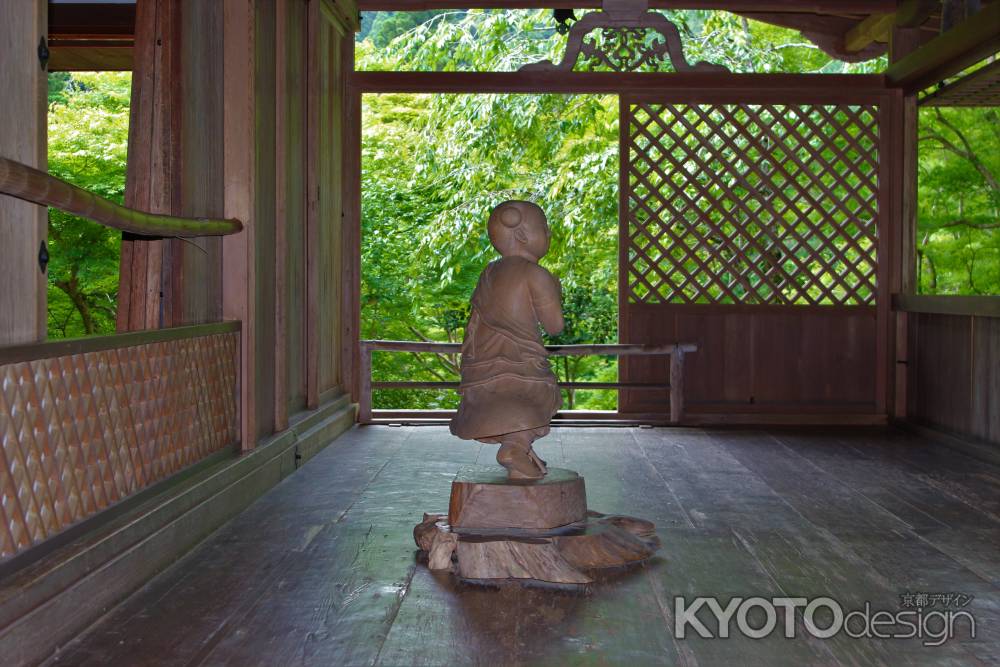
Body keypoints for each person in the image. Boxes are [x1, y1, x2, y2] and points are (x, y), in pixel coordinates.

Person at [449, 200, 565, 480]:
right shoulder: (536, 275)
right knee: (541, 399)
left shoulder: (488, 272)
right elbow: (555, 327)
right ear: (524, 236)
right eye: (545, 230)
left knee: (506, 403)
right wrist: (554, 292)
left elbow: (476, 321)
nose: (549, 236)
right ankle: (515, 447)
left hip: (482, 366)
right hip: (521, 364)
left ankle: (519, 449)